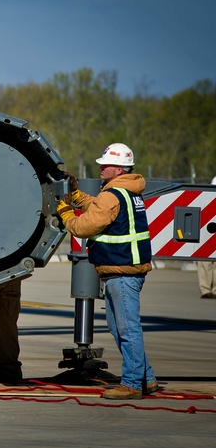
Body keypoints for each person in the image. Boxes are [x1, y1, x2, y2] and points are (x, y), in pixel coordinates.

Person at [57, 143, 158, 400]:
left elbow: (84, 227)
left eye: (106, 165)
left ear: (119, 169)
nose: (101, 167)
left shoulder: (113, 195)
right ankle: (146, 377)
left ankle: (133, 384)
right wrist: (78, 196)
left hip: (122, 274)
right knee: (119, 328)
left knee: (127, 330)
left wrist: (66, 213)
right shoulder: (126, 192)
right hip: (123, 272)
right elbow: (99, 207)